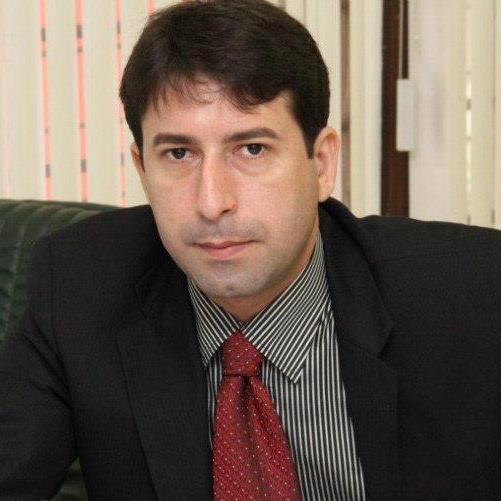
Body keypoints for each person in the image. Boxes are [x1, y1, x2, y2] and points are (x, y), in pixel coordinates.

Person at [1, 1, 501, 500]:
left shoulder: (476, 294)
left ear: (321, 163)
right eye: (179, 153)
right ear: (142, 170)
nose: (212, 201)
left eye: (252, 149)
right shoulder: (78, 287)